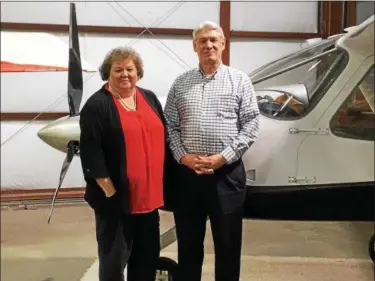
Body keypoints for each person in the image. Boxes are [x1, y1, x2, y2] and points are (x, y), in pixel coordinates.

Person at [163, 21, 260, 281]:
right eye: (203, 41)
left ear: (223, 44)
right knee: (189, 245)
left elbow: (251, 125)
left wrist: (222, 157)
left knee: (228, 246)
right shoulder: (180, 83)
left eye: (214, 40)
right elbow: (170, 125)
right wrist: (183, 156)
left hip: (226, 176)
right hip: (188, 178)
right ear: (195, 46)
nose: (209, 45)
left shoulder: (240, 81)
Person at [79, 46, 168, 281]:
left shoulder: (148, 98)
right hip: (117, 202)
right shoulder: (97, 105)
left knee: (146, 260)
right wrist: (109, 190)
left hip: (149, 201)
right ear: (108, 73)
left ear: (138, 72)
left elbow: (164, 136)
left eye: (130, 69)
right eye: (118, 69)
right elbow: (91, 151)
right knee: (114, 263)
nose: (125, 74)